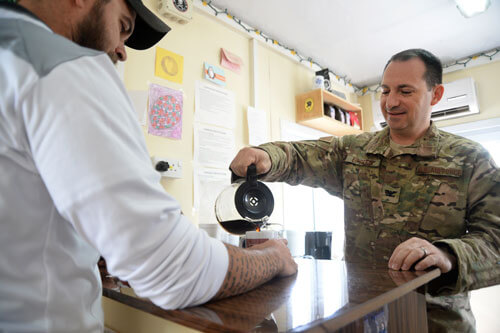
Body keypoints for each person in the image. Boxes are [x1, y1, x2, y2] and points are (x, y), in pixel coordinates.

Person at [0, 0, 297, 331]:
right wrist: (273, 257)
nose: (122, 51)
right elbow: (174, 270)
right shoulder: (63, 64)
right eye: (124, 26)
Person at [229, 48, 500, 332]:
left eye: (405, 91)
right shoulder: (354, 151)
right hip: (360, 320)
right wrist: (266, 156)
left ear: (435, 94)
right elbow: (298, 155)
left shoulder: (470, 158)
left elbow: (496, 242)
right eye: (385, 91)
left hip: (436, 323)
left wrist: (447, 255)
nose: (391, 102)